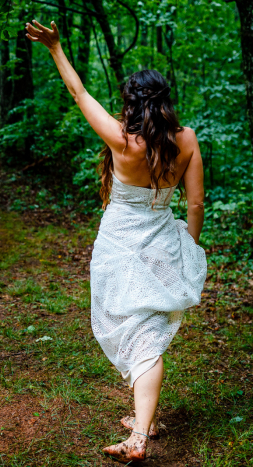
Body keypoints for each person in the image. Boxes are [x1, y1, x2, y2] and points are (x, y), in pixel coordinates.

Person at [26, 20, 207, 463]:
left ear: (131, 101)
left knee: (140, 335)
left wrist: (55, 48)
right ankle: (143, 418)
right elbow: (196, 204)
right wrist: (189, 246)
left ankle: (139, 438)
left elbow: (79, 93)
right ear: (164, 100)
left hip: (119, 243)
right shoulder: (185, 141)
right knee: (148, 331)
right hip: (163, 240)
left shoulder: (122, 140)